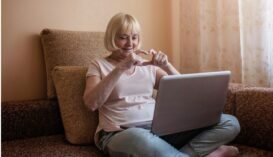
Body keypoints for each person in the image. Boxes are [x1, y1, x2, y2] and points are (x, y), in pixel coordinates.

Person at [83, 13, 240, 157]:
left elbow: (185, 91)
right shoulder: (98, 65)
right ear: (112, 38)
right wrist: (121, 68)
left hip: (160, 130)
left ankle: (174, 153)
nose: (130, 43)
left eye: (135, 37)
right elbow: (91, 103)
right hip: (120, 133)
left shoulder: (147, 66)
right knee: (139, 138)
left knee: (229, 122)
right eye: (123, 37)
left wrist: (167, 65)